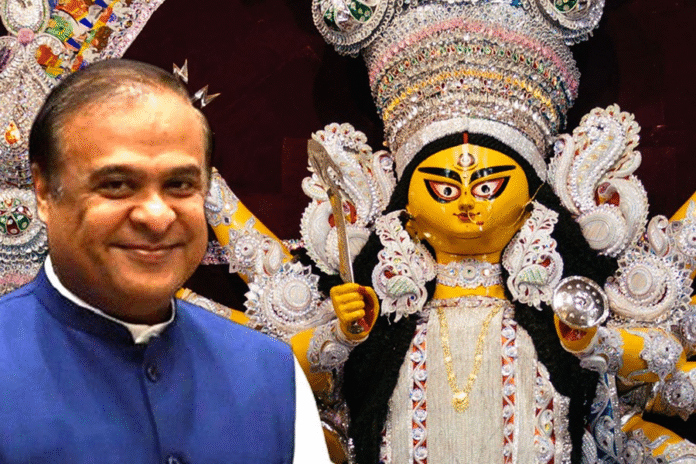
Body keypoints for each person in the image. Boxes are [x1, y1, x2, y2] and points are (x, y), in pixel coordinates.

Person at [0, 58, 331, 464]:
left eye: (179, 185)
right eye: (117, 184)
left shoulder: (271, 375)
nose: (157, 216)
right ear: (44, 192)